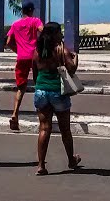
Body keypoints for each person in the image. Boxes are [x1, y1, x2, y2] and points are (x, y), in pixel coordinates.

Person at [32, 22, 82, 175]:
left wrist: (41, 86)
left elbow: (34, 74)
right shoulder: (61, 49)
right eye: (59, 32)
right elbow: (71, 69)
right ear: (54, 34)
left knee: (44, 128)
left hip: (41, 91)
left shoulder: (37, 51)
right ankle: (71, 160)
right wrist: (76, 57)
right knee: (65, 129)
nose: (62, 35)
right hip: (57, 92)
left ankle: (41, 165)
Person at [5, 1, 43, 131]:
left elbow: (9, 42)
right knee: (39, 85)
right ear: (32, 10)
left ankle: (15, 113)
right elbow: (42, 31)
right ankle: (41, 115)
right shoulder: (35, 21)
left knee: (21, 88)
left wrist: (18, 50)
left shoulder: (15, 24)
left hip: (21, 57)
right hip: (34, 56)